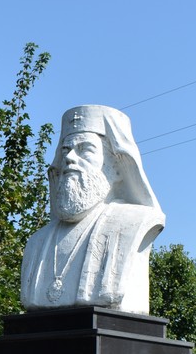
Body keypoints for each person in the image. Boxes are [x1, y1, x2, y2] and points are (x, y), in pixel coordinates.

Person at [20, 105, 165, 314]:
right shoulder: (37, 242)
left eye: (85, 150)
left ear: (116, 167)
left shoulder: (132, 223)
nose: (69, 158)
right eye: (65, 150)